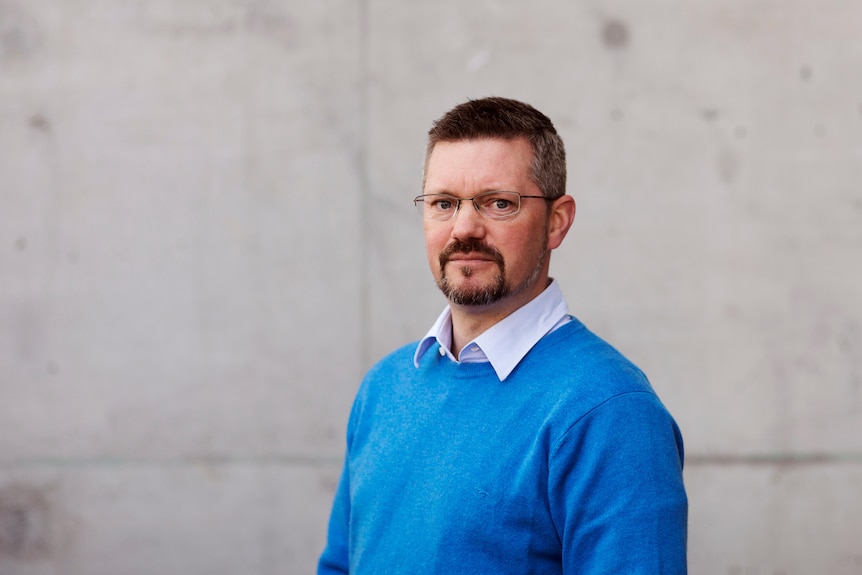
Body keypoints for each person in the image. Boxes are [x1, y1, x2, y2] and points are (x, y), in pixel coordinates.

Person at [318, 97, 688, 574]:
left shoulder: (611, 411)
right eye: (444, 203)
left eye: (499, 204)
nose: (465, 229)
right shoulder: (384, 388)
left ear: (557, 221)